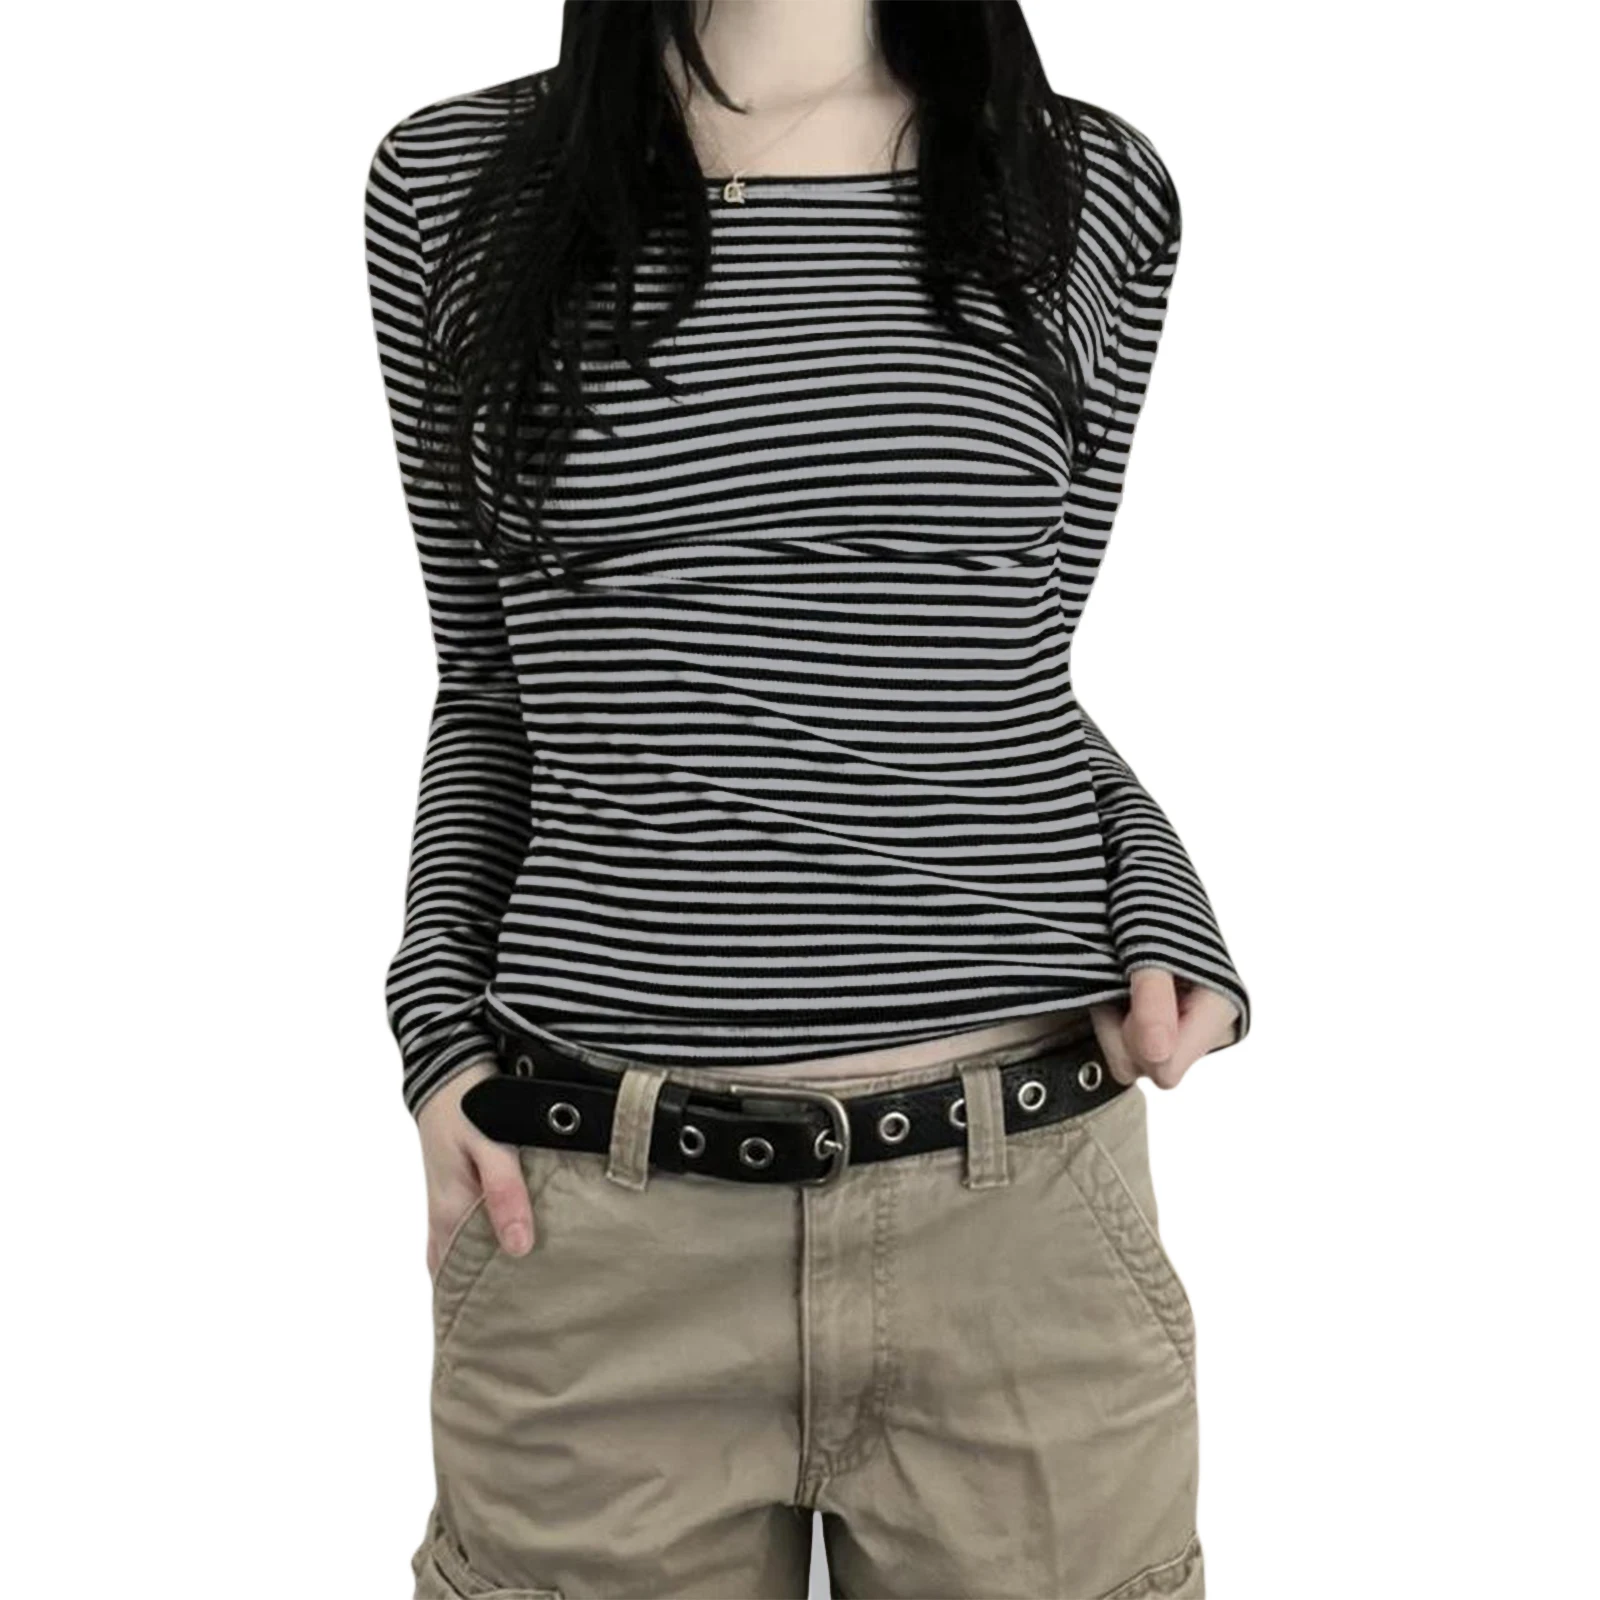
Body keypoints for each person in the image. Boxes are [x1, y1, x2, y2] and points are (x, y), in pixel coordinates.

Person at [363, 2, 1250, 1595]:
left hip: (1023, 1229)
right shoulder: (457, 185)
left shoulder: (1085, 187)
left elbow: (1006, 669)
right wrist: (434, 1032)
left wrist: (1164, 901)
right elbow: (496, 689)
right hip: (597, 1238)